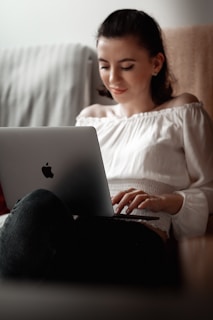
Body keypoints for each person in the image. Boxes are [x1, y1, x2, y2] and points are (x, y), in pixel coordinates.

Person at [0, 8, 213, 286]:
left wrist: (165, 201)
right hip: (76, 229)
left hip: (137, 236)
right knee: (37, 204)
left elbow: (209, 188)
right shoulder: (91, 117)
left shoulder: (184, 110)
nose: (113, 78)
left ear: (156, 63)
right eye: (104, 65)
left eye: (126, 66)